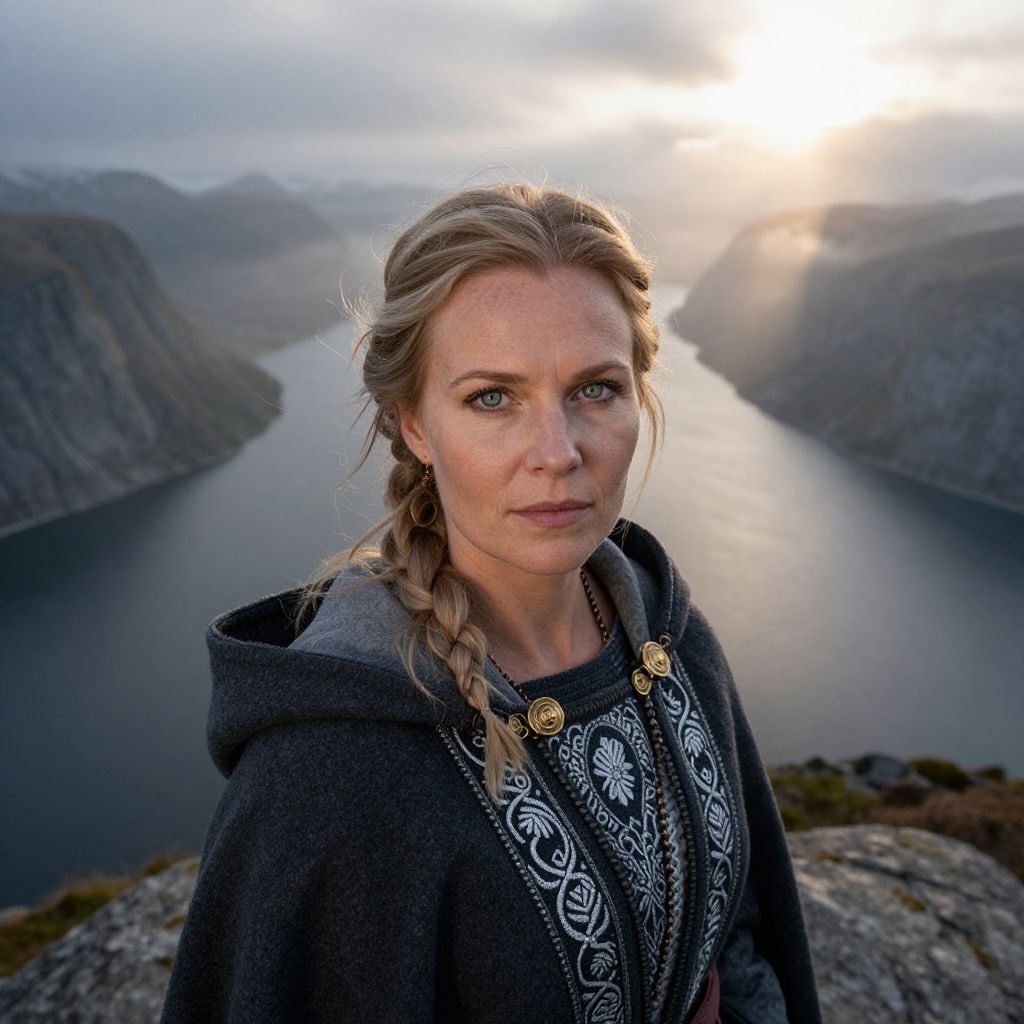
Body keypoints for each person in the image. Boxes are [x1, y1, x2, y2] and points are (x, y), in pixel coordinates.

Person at [160, 181, 822, 1024]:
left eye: (596, 389)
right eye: (492, 398)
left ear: (639, 393)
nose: (558, 452)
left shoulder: (675, 647)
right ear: (413, 424)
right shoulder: (327, 770)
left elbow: (738, 941)